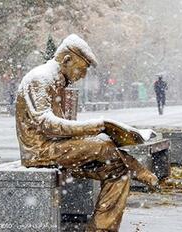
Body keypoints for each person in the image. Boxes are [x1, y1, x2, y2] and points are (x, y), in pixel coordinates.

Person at [15, 34, 158, 232]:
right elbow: (46, 123)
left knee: (119, 172)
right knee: (102, 145)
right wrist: (94, 126)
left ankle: (101, 228)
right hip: (40, 151)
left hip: (58, 149)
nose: (82, 76)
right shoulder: (40, 78)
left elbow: (60, 127)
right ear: (67, 60)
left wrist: (95, 131)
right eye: (82, 69)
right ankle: (137, 168)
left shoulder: (58, 82)